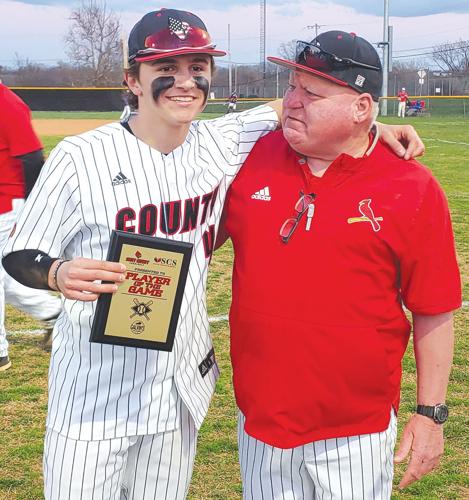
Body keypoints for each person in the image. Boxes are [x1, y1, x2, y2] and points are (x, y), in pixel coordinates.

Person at [2, 9, 424, 498]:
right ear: (132, 80)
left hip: (178, 387)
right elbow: (17, 251)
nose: (185, 82)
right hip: (95, 388)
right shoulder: (82, 156)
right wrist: (57, 272)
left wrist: (374, 126)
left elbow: (301, 106)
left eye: (197, 67)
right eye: (167, 68)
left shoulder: (223, 140)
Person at [218, 31, 461, 498]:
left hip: (356, 430)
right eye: (291, 86)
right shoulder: (254, 157)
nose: (291, 101)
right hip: (260, 422)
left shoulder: (410, 186)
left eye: (311, 93)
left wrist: (430, 414)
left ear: (361, 107)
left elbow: (434, 308)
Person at [0, 82, 61, 372]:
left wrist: (32, 207)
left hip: (8, 206)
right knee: (6, 278)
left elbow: (33, 157)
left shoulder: (7, 103)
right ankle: (52, 311)